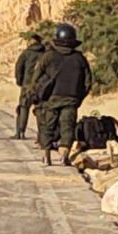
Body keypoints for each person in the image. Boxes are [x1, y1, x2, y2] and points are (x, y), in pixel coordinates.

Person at [30, 23, 92, 166]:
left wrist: (38, 95)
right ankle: (64, 157)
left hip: (50, 99)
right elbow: (88, 82)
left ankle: (46, 156)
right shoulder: (80, 59)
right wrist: (78, 98)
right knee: (67, 128)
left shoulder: (48, 56)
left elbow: (35, 79)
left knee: (47, 127)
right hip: (71, 99)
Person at [11, 33, 45, 140]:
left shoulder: (26, 53)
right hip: (40, 86)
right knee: (40, 110)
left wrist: (20, 81)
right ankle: (42, 135)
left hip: (27, 85)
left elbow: (19, 68)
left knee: (23, 108)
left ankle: (20, 132)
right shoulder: (45, 54)